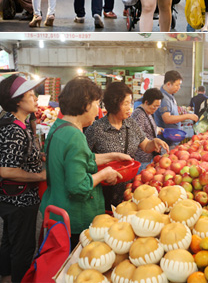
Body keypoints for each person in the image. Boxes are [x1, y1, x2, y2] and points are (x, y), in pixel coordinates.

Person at [40, 77, 131, 249]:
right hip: (74, 218)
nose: (99, 110)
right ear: (85, 104)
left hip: (56, 208)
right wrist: (105, 173)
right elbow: (78, 186)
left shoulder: (59, 127)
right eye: (97, 104)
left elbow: (79, 159)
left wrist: (113, 156)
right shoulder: (75, 136)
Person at [85, 82, 169, 208]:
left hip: (129, 189)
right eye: (125, 104)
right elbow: (85, 159)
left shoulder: (131, 124)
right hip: (103, 191)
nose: (129, 108)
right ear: (114, 104)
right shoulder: (96, 129)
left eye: (130, 103)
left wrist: (154, 142)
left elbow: (145, 145)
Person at [0, 74, 46, 282]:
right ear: (18, 100)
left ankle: (7, 276)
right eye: (30, 94)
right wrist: (39, 175)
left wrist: (39, 156)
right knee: (23, 247)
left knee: (10, 240)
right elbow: (7, 170)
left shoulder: (15, 123)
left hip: (11, 199)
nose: (35, 98)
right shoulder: (14, 130)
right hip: (19, 200)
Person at [131, 88, 164, 172]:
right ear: (146, 102)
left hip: (149, 156)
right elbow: (138, 137)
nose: (156, 108)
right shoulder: (139, 114)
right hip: (141, 159)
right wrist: (152, 143)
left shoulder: (148, 112)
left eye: (158, 106)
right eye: (154, 106)